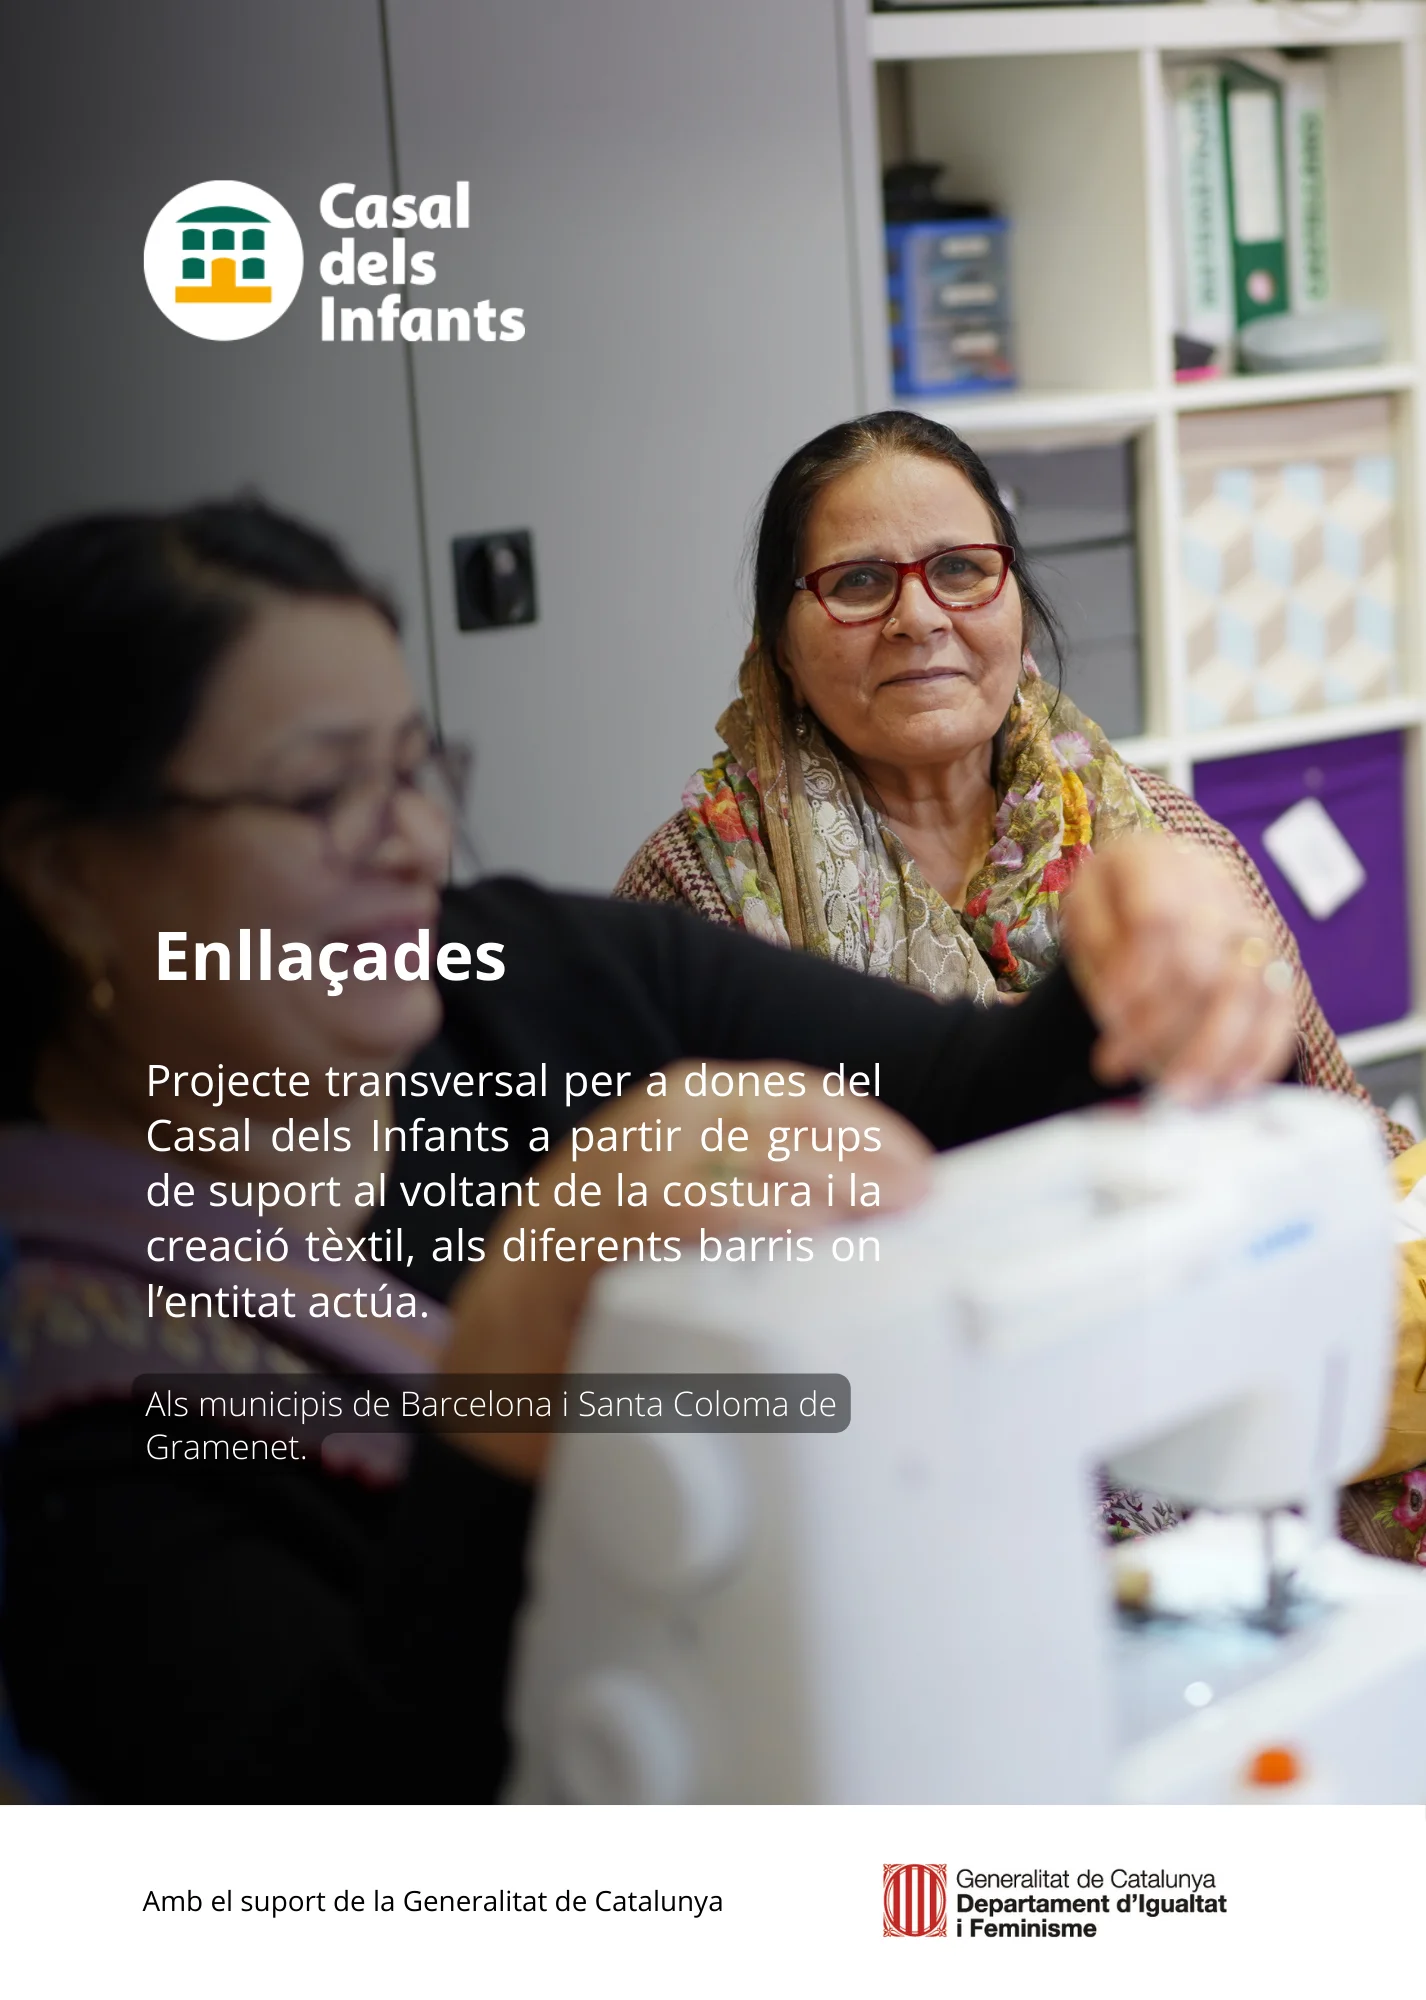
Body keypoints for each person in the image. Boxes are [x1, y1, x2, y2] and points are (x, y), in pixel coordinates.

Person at [0, 501, 1295, 1803]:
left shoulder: (526, 969)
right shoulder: (62, 1367)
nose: (414, 847)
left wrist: (1137, 960)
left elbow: (980, 1093)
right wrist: (533, 1306)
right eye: (319, 793)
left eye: (412, 773)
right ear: (69, 877)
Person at [617, 410, 1408, 1154]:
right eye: (858, 581)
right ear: (780, 650)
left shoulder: (1171, 845)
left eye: (960, 569)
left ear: (1018, 609)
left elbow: (1355, 1138)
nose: (919, 617)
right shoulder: (693, 891)